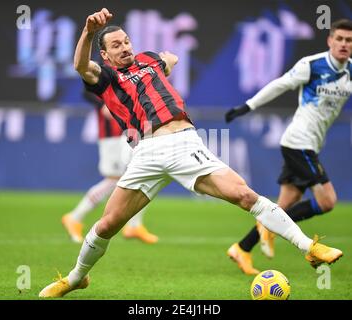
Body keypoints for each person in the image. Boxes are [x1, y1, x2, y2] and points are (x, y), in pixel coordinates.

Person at [39, 8, 343, 298]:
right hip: (146, 152)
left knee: (245, 196)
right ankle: (77, 278)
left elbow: (169, 58)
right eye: (116, 45)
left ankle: (309, 247)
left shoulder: (148, 60)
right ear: (105, 54)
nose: (124, 48)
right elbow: (80, 65)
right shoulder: (106, 78)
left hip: (185, 144)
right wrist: (88, 33)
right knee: (106, 225)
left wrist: (166, 62)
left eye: (127, 41)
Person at [224, 19, 352, 275]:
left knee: (280, 208)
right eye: (339, 38)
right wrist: (247, 106)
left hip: (312, 145)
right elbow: (279, 84)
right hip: (297, 143)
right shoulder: (312, 65)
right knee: (327, 201)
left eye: (349, 40)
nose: (344, 44)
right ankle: (295, 240)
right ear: (329, 40)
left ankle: (242, 248)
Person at [62, 90, 158, 244]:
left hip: (125, 134)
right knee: (115, 180)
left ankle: (134, 225)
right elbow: (89, 92)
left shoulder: (123, 76)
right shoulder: (107, 76)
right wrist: (106, 102)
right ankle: (74, 217)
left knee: (138, 176)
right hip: (112, 137)